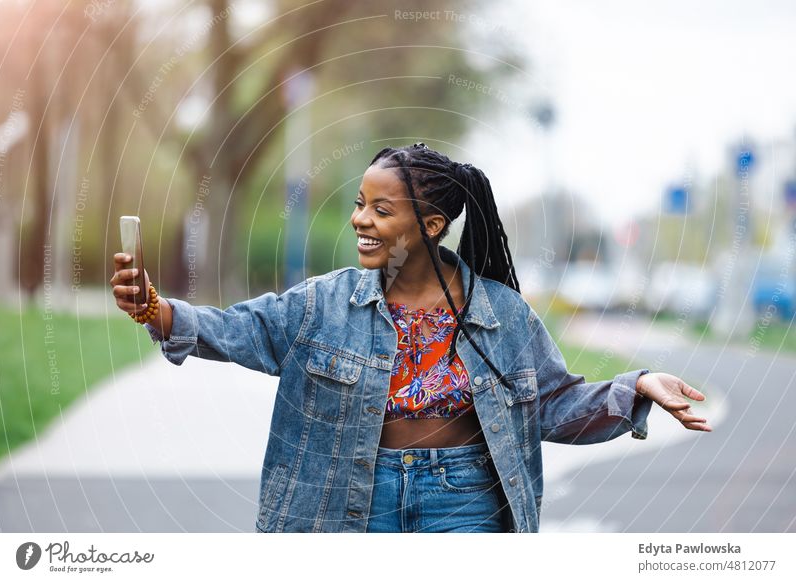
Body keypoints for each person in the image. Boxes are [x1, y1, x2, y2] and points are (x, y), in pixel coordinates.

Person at [110, 142, 712, 533]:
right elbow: (242, 328)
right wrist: (158, 310)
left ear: (430, 226)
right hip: (351, 499)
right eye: (358, 204)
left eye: (380, 210)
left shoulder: (500, 312)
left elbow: (552, 405)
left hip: (466, 500)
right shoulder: (324, 302)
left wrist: (637, 388)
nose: (359, 220)